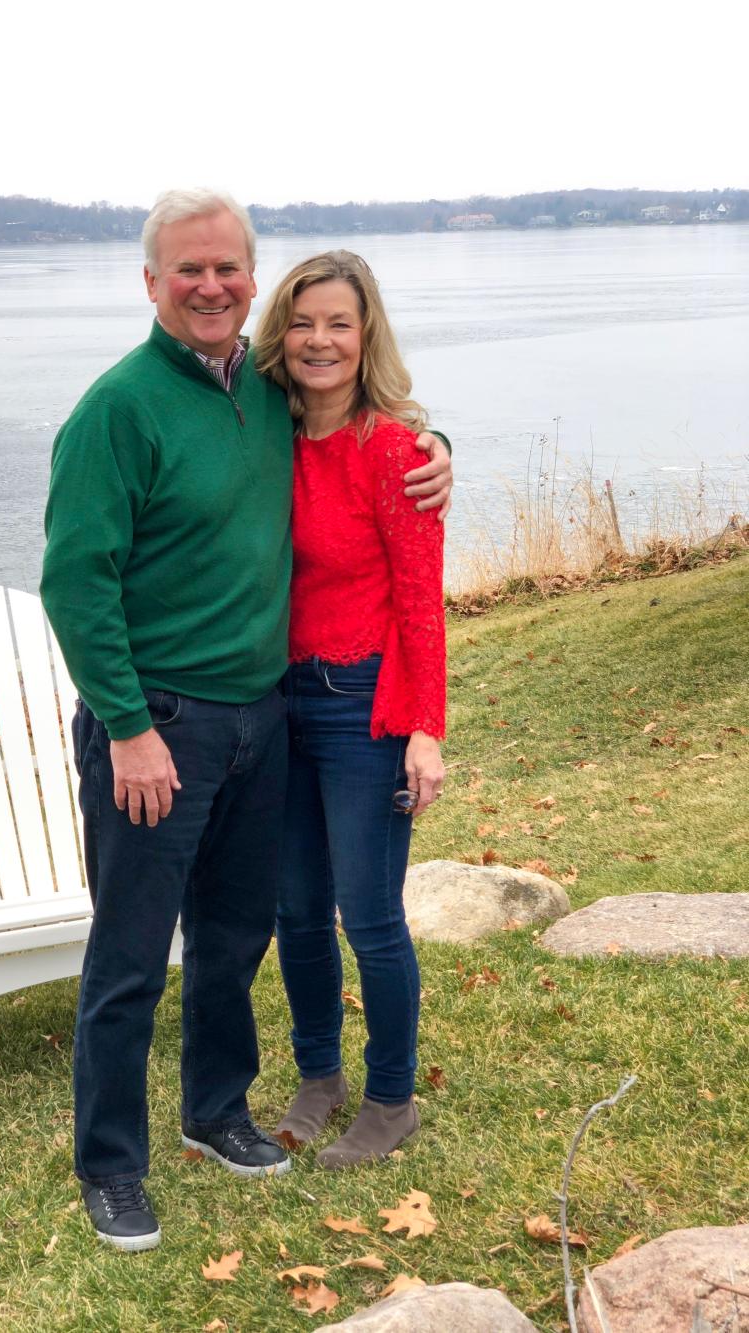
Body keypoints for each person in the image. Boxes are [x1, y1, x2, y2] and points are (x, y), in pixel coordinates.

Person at [41, 192, 452, 1251]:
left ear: (250, 280)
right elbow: (76, 582)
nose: (212, 285)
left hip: (264, 718)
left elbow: (360, 421)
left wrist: (434, 446)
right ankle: (112, 1166)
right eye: (189, 270)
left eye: (228, 268)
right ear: (151, 282)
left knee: (234, 938)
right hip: (157, 730)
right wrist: (126, 726)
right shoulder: (118, 409)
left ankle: (217, 1109)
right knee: (131, 956)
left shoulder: (265, 393)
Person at [253, 250, 446, 1168]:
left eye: (338, 322)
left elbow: (421, 601)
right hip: (273, 703)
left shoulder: (399, 453)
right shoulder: (264, 432)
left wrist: (426, 728)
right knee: (296, 910)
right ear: (278, 334)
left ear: (365, 334)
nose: (319, 340)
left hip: (362, 704)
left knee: (368, 914)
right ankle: (319, 1077)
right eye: (302, 322)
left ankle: (392, 1096)